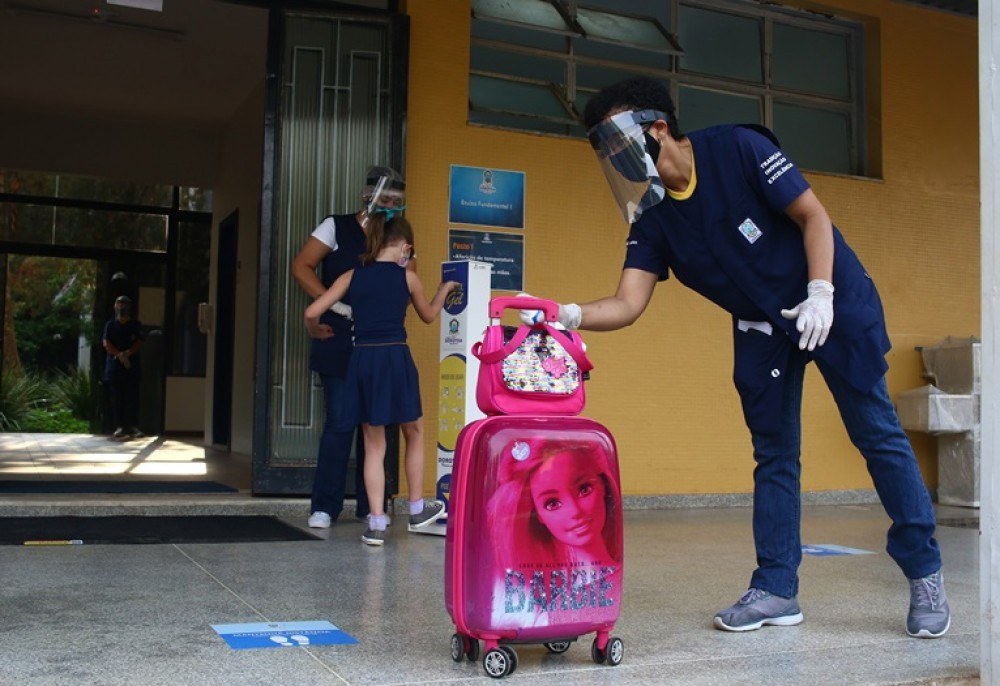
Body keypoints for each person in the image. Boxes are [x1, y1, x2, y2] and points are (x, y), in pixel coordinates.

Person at [520, 76, 949, 638]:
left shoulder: (738, 150)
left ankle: (925, 576)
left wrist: (822, 293)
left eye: (621, 146)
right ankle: (776, 587)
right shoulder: (653, 218)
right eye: (607, 154)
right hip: (761, 322)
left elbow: (813, 217)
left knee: (875, 432)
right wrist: (564, 313)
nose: (617, 161)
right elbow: (627, 302)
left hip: (830, 296)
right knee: (774, 451)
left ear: (658, 129)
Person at [305, 216, 457, 546]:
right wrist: (443, 290)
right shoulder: (408, 277)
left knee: (374, 443)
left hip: (362, 359)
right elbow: (429, 316)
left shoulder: (351, 276)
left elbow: (311, 312)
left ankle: (375, 522)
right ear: (406, 248)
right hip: (395, 357)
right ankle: (416, 507)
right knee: (413, 430)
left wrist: (314, 329)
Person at [291, 166, 408, 529]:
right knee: (340, 421)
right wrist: (335, 304)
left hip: (381, 342)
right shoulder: (336, 226)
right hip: (338, 337)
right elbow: (302, 266)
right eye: (385, 199)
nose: (390, 207)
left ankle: (371, 507)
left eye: (397, 202)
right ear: (366, 194)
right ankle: (324, 506)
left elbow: (407, 279)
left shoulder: (398, 233)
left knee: (378, 425)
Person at [486, 440, 622, 628]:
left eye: (584, 489)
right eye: (552, 503)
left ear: (604, 486)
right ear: (538, 515)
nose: (575, 511)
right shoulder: (526, 586)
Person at [102, 295, 144, 441]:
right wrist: (119, 355)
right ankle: (119, 426)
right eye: (119, 304)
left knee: (133, 397)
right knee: (117, 397)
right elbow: (106, 343)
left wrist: (128, 353)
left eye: (125, 304)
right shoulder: (110, 325)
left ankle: (133, 425)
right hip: (115, 368)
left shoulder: (136, 325)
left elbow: (139, 341)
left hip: (132, 368)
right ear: (115, 307)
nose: (122, 307)